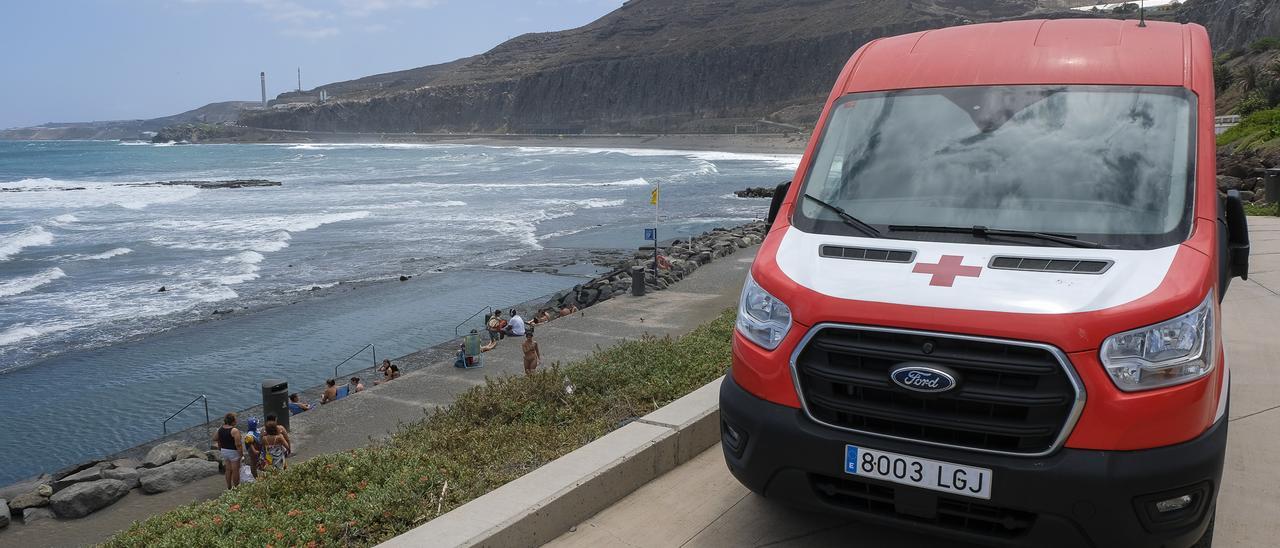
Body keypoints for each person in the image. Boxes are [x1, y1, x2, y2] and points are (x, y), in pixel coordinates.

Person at [213, 413, 244, 489]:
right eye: (235, 419)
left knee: (228, 469)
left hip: (224, 451)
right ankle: (236, 488)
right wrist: (241, 454)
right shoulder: (234, 430)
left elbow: (214, 438)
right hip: (233, 451)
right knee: (235, 470)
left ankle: (229, 486)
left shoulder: (220, 429)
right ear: (233, 421)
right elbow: (238, 444)